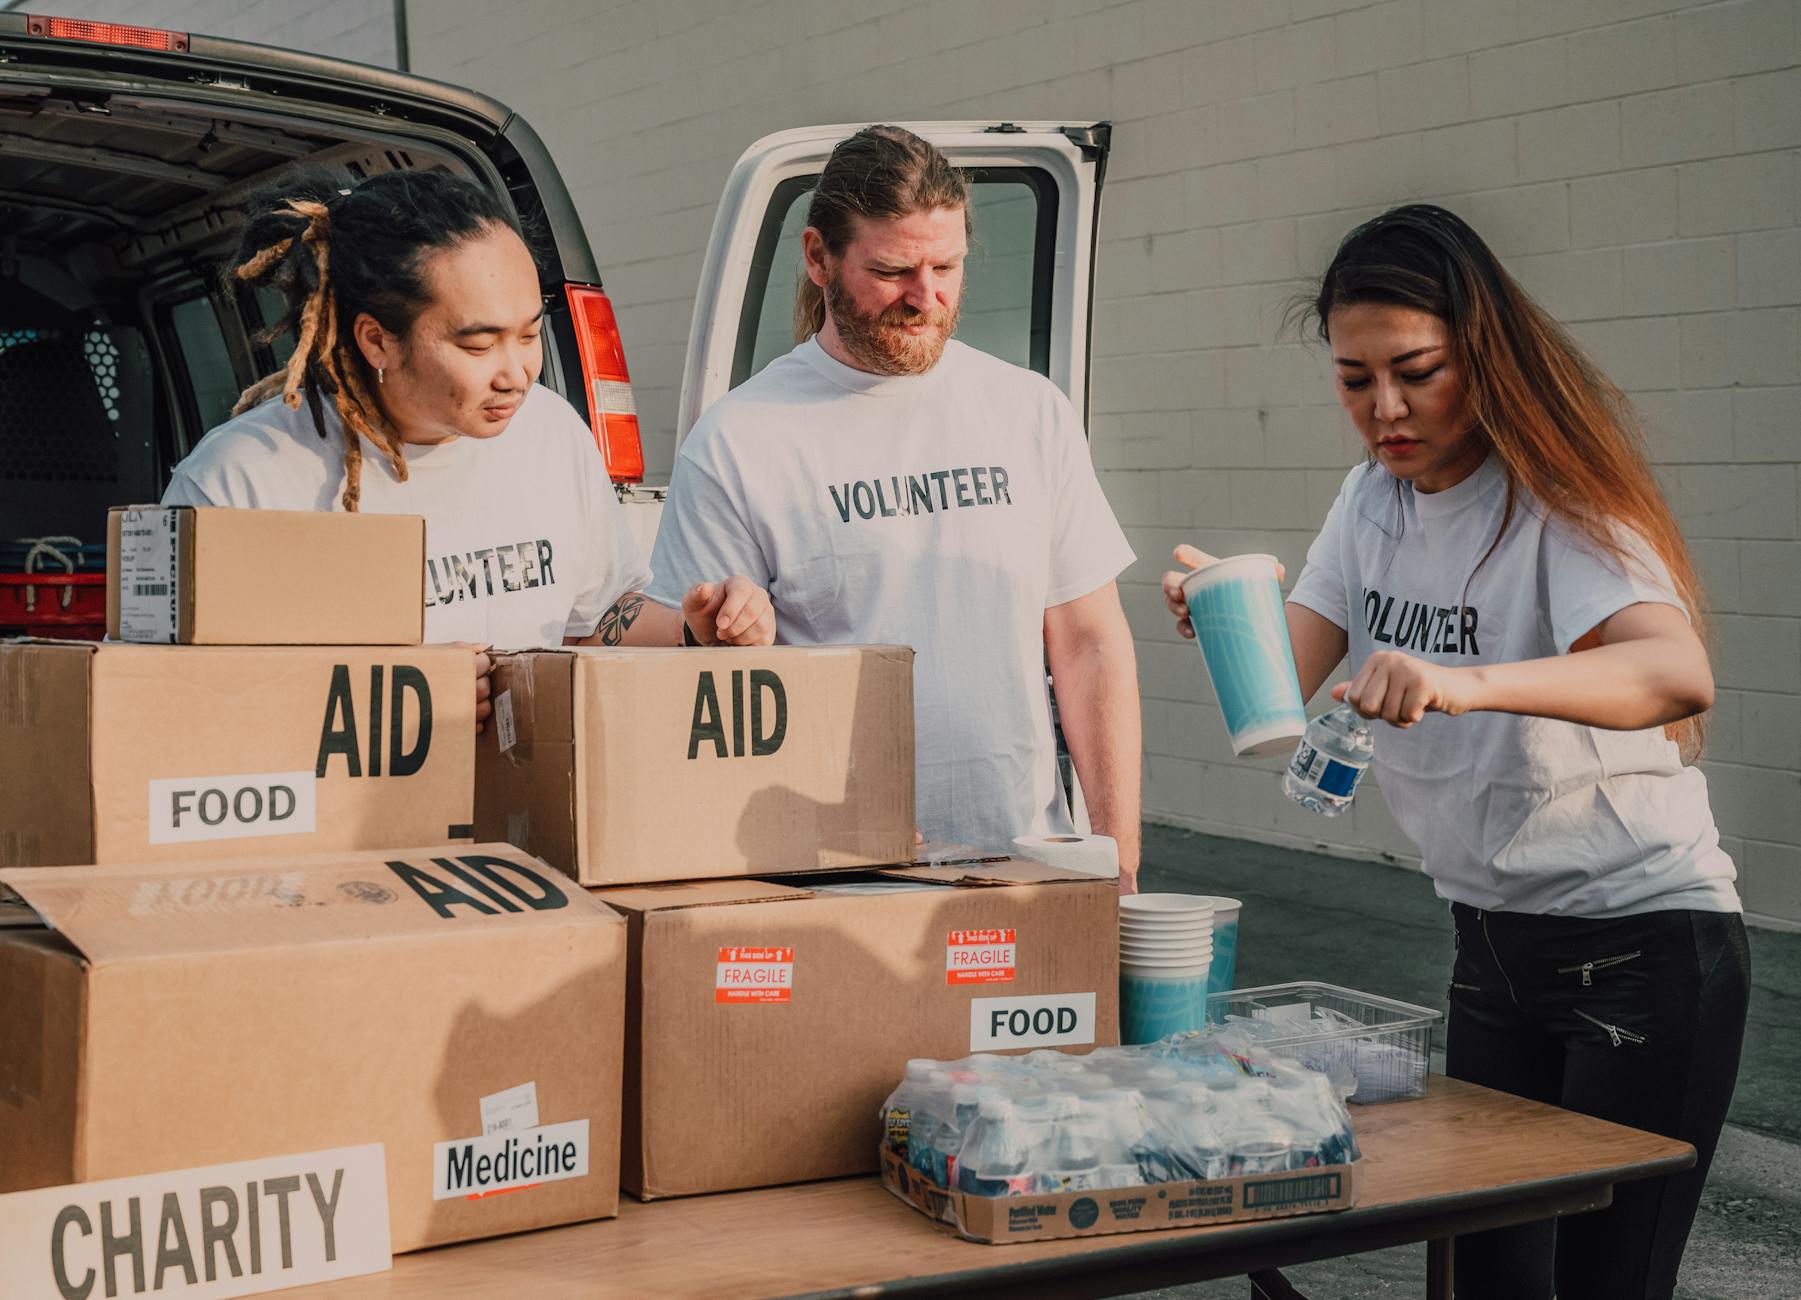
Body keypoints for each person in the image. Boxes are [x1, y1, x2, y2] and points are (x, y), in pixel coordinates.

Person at [1161, 205, 1748, 1299]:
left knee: (1601, 1284)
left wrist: (1465, 682)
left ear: (1479, 352)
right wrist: (1218, 608)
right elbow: (1283, 694)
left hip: (1640, 946)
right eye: (1352, 379)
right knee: (1478, 1281)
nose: (1384, 409)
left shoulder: (1556, 498)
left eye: (1415, 370)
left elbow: (1674, 672)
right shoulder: (1370, 499)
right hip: (1490, 948)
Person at [648, 126, 1143, 886]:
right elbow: (707, 699)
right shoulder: (740, 441)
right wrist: (714, 630)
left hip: (1027, 865)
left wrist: (1118, 857)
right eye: (892, 270)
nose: (926, 297)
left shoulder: (1027, 411)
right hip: (831, 875)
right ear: (818, 258)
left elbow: (1087, 643)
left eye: (946, 266)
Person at [164, 167, 774, 728]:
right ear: (377, 340)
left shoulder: (551, 433)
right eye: (480, 346)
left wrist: (695, 632)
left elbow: (592, 624)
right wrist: (398, 698)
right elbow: (168, 707)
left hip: (518, 827)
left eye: (530, 334)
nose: (517, 373)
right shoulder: (239, 484)